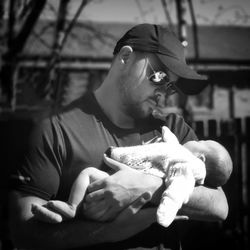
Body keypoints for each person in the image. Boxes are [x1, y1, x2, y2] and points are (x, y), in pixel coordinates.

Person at [8, 23, 230, 250]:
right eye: (160, 76)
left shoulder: (174, 129)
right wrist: (109, 232)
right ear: (125, 57)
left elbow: (219, 206)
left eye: (171, 86)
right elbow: (23, 232)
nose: (164, 92)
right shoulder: (56, 130)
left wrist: (150, 187)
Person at [30, 126, 232, 228]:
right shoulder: (176, 145)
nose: (197, 138)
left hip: (126, 213)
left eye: (202, 140)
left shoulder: (188, 166)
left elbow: (181, 191)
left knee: (89, 174)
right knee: (90, 175)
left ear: (201, 157)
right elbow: (169, 141)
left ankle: (72, 208)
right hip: (106, 200)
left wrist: (150, 187)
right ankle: (70, 210)